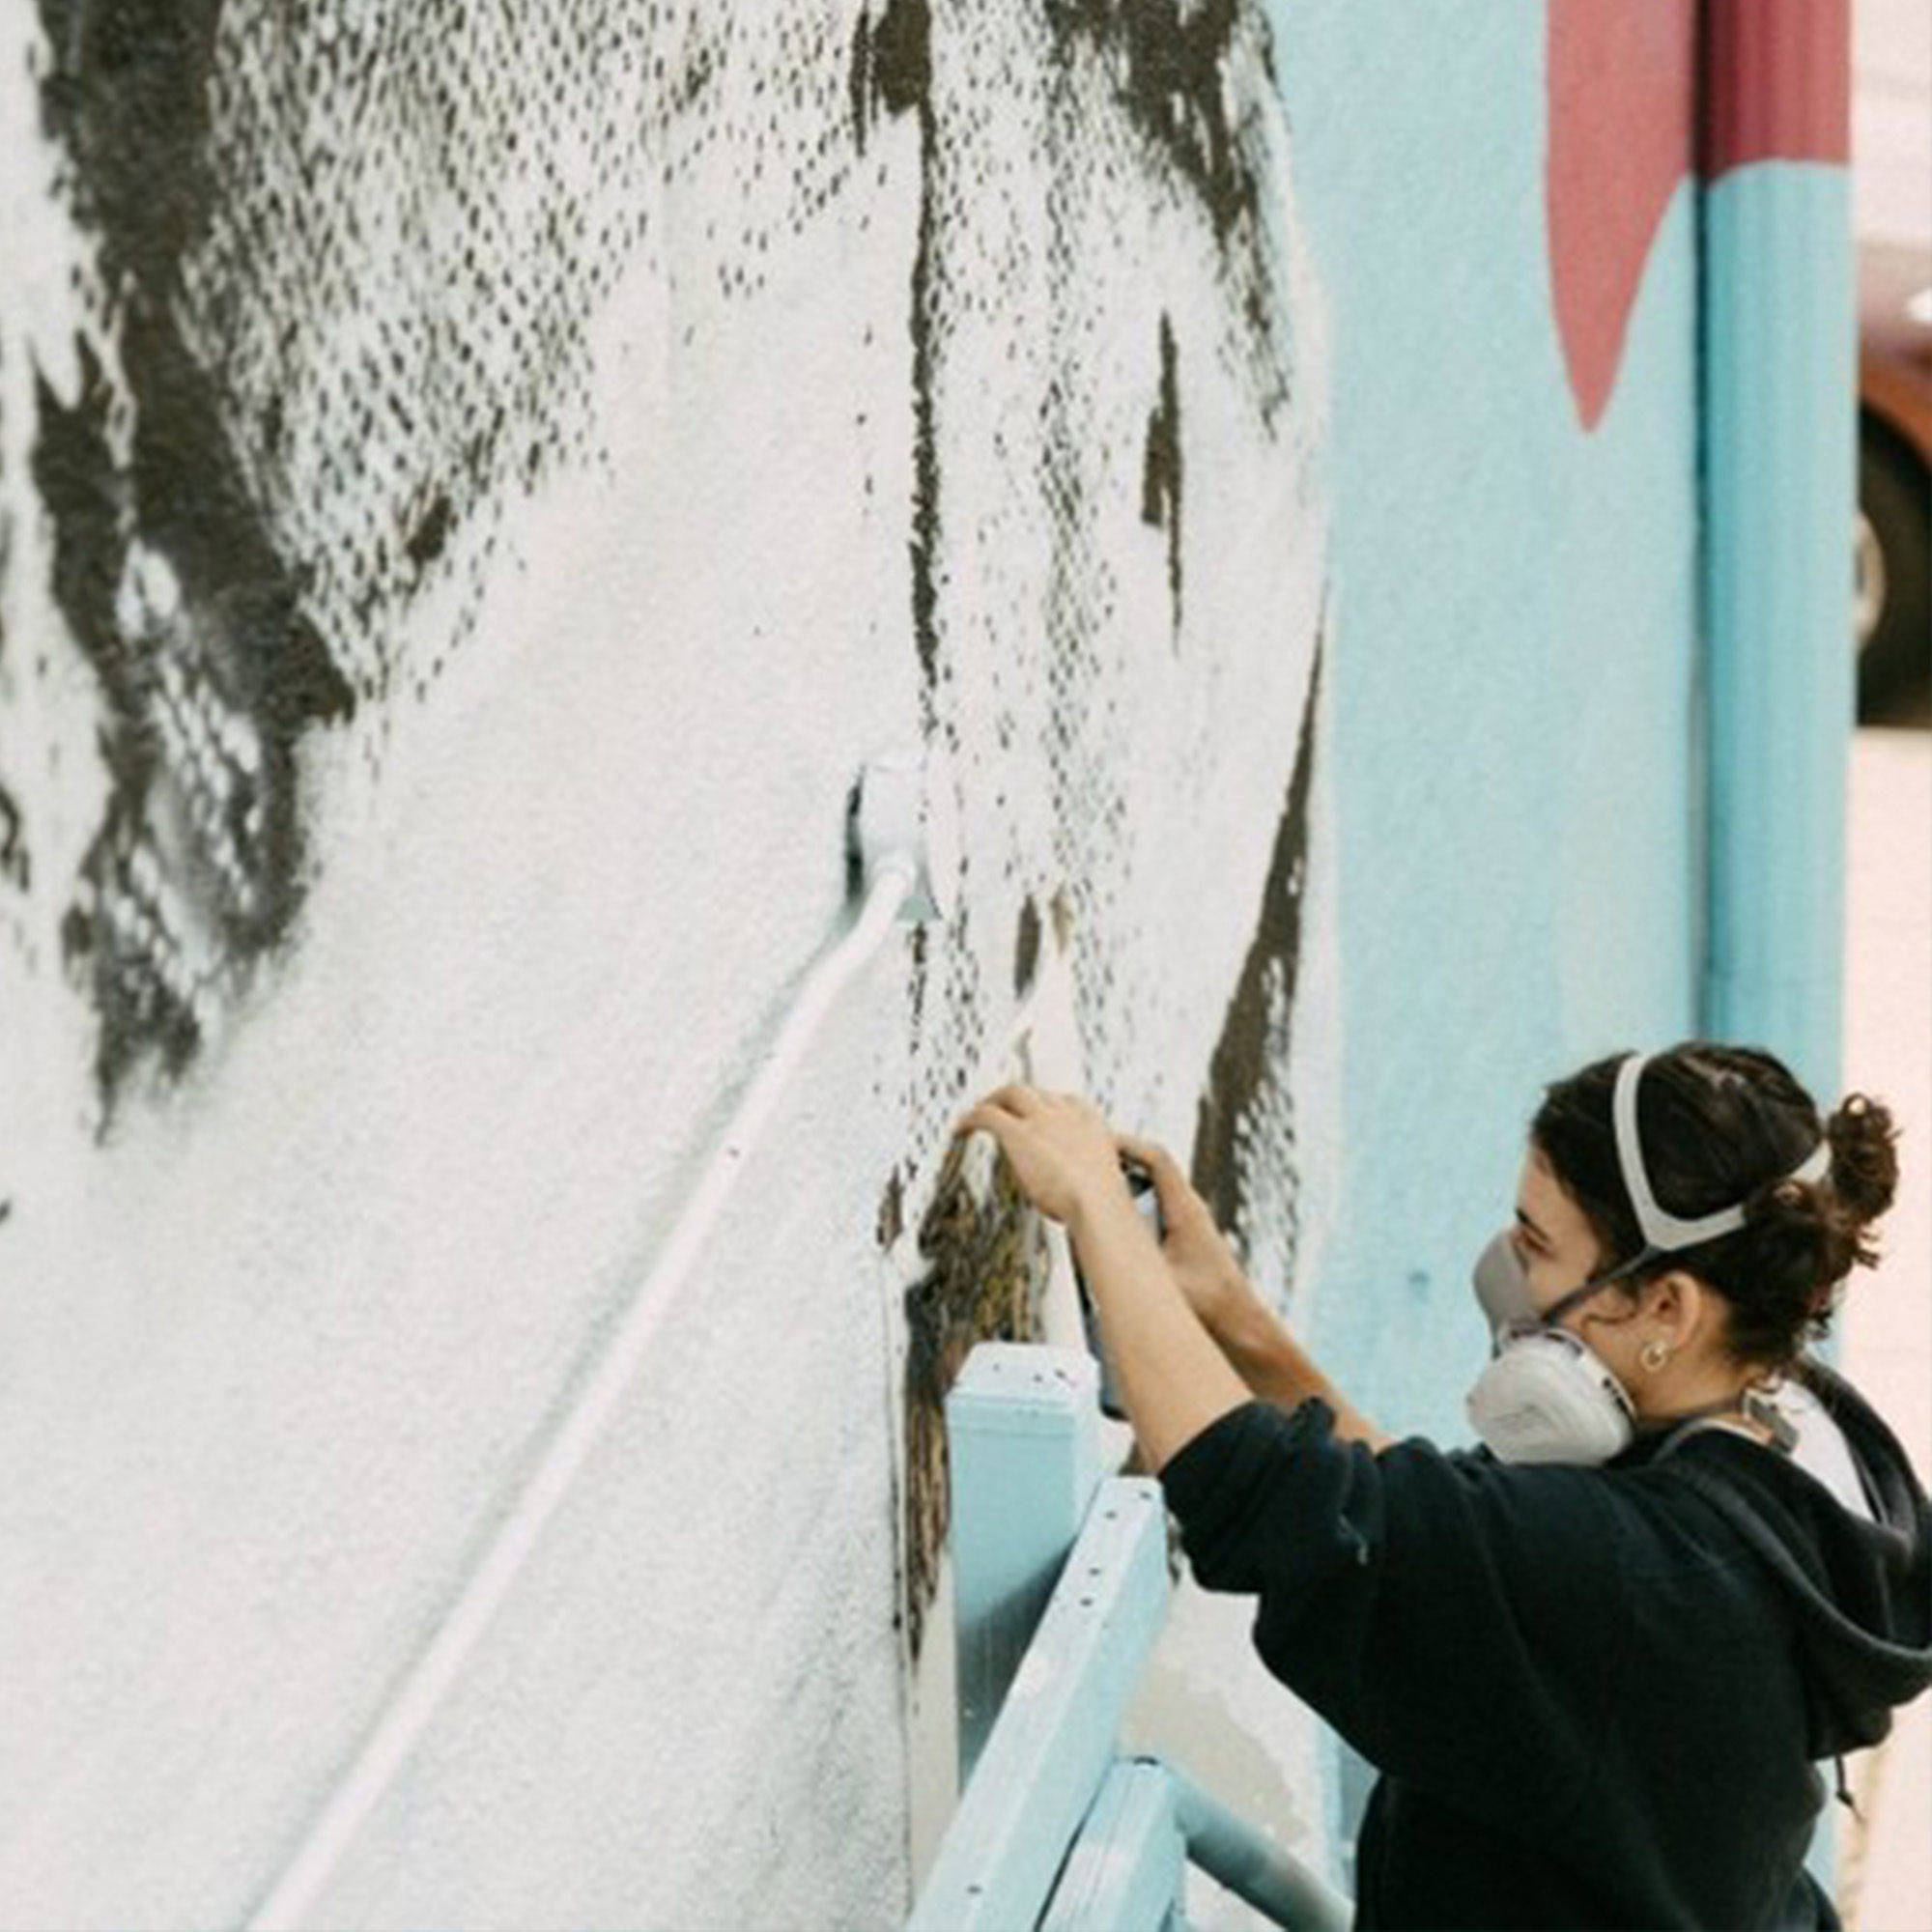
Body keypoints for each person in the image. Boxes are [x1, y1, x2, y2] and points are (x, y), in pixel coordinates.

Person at [957, 1041, 1932, 1931]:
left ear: (1664, 1306)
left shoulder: (1636, 1578)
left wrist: (1091, 1204)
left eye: (1534, 1243)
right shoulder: (1793, 1434)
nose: (1504, 1273)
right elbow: (1432, 1533)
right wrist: (1231, 1317)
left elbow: (1263, 1496)